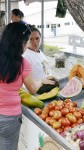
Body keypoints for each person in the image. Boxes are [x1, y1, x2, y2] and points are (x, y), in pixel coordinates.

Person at [0, 22, 53, 150]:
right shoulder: (22, 63)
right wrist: (41, 80)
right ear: (22, 43)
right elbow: (33, 89)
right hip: (9, 117)